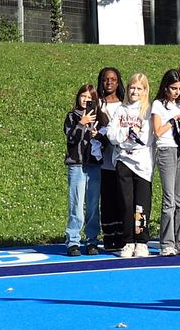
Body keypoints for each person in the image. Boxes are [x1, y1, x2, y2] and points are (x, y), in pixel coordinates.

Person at [102, 71, 155, 257]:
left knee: (141, 205)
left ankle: (141, 241)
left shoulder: (148, 111)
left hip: (142, 164)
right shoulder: (121, 110)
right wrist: (126, 134)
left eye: (139, 88)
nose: (134, 91)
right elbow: (111, 134)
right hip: (123, 161)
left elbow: (146, 139)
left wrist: (129, 137)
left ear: (145, 90)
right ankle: (128, 241)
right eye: (132, 87)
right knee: (126, 203)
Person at [152, 68, 180, 256]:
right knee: (169, 198)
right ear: (165, 87)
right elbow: (157, 131)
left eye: (179, 88)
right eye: (173, 88)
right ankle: (167, 243)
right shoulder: (158, 105)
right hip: (166, 150)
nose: (176, 92)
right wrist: (172, 120)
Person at [63, 83, 101, 256]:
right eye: (83, 96)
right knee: (76, 205)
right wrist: (81, 124)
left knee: (92, 205)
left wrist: (97, 134)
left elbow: (106, 139)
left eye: (90, 97)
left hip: (94, 165)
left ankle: (92, 239)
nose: (86, 100)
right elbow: (71, 138)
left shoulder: (100, 117)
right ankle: (73, 240)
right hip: (76, 164)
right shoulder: (72, 116)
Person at [93, 66, 123, 254]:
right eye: (105, 79)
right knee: (108, 200)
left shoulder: (124, 104)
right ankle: (109, 237)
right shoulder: (97, 104)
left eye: (113, 79)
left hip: (122, 160)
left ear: (118, 82)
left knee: (122, 199)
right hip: (104, 161)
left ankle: (123, 236)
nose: (109, 82)